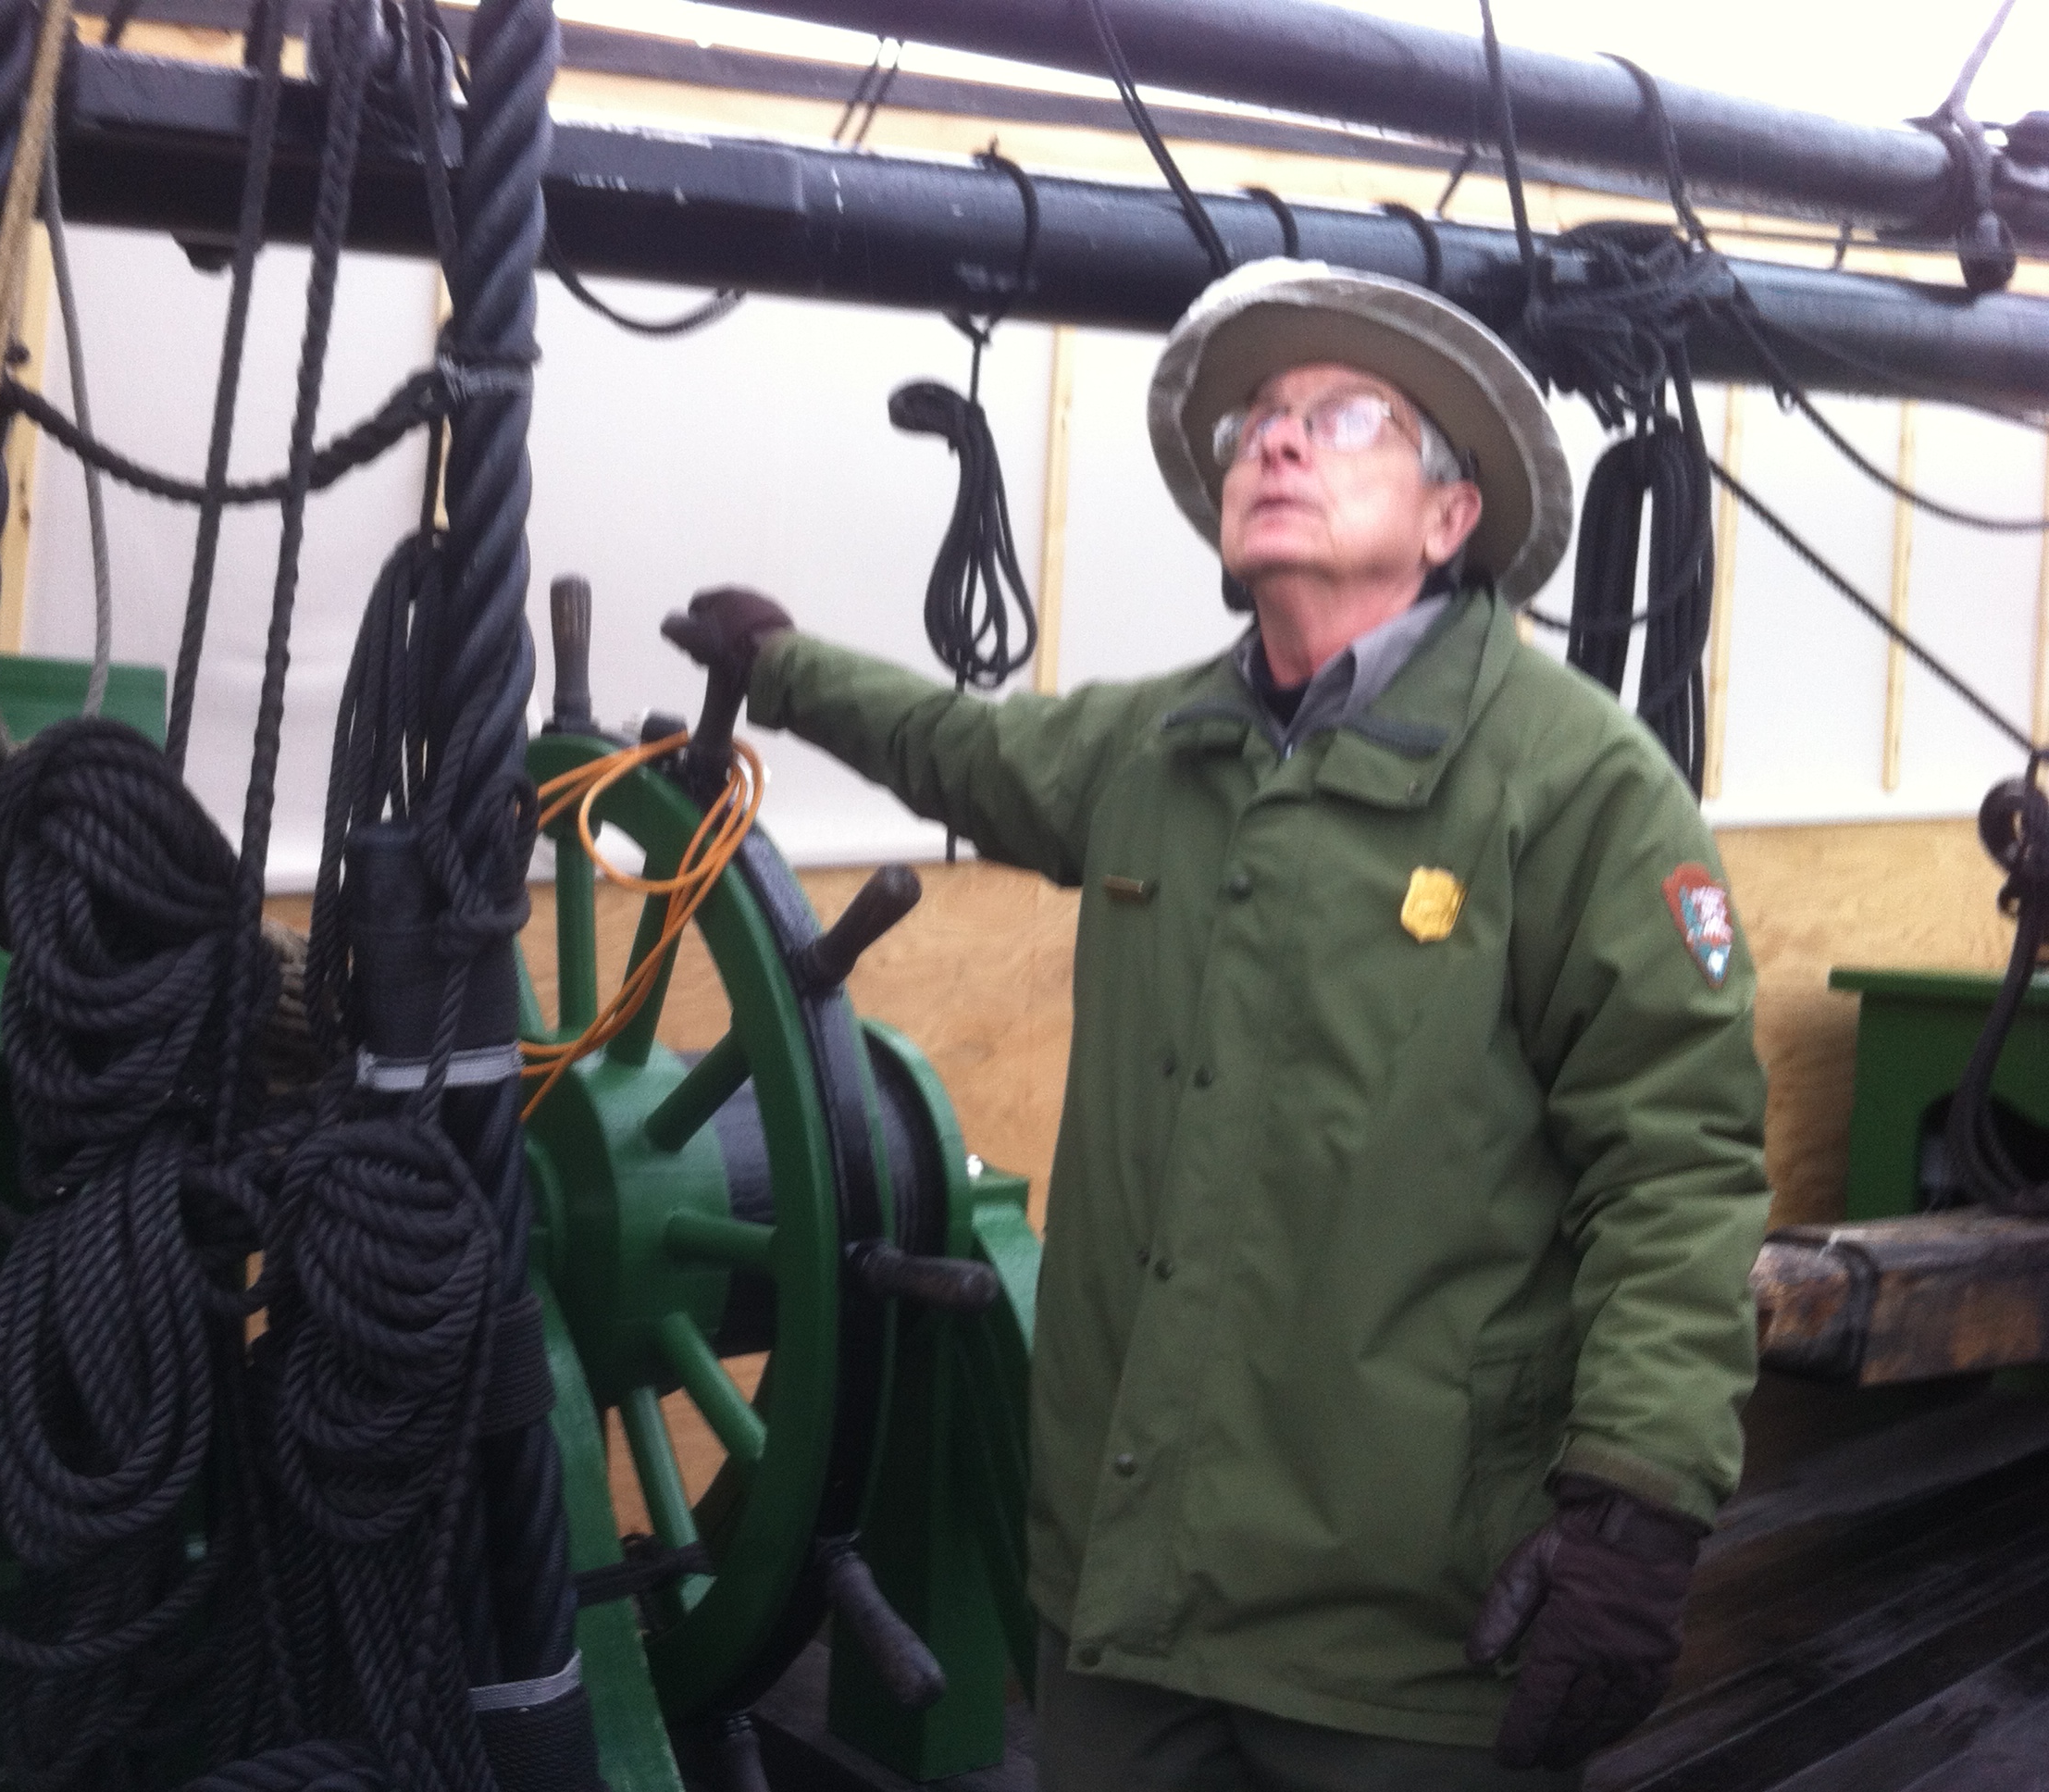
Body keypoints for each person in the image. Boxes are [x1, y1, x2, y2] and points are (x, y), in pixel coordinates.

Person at [664, 258, 1770, 1791]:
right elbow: (960, 747)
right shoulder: (1160, 746)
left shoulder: (1578, 786)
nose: (1276, 438)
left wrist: (1638, 1508)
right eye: (1257, 421)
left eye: (1346, 416)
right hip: (1127, 1607)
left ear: (1451, 518)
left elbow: (1678, 1170)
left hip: (1407, 1645)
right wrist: (784, 669)